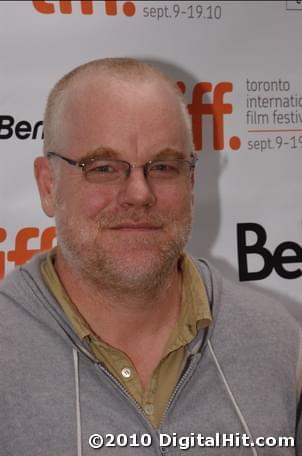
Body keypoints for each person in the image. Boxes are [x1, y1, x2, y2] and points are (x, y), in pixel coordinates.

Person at [0, 58, 301, 456]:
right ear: (48, 185)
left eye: (163, 166)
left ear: (191, 182)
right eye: (104, 167)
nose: (139, 194)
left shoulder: (279, 342)